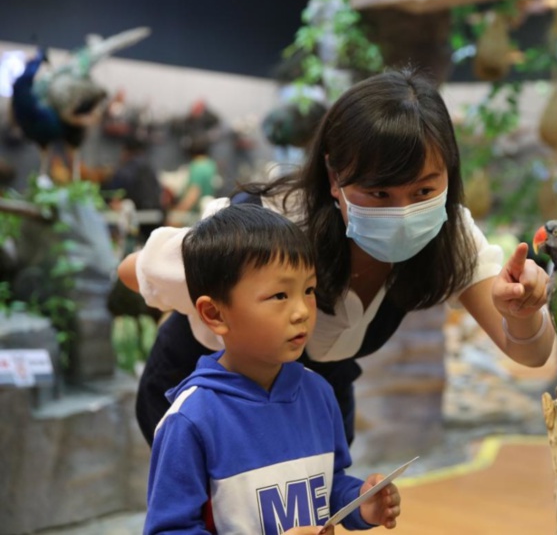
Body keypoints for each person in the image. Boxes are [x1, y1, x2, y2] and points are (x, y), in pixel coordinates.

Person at [119, 67, 556, 447]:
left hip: (312, 400)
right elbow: (132, 271)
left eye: (423, 190)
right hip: (206, 396)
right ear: (334, 178)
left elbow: (532, 355)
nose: (403, 213)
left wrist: (521, 311)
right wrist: (223, 291)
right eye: (379, 192)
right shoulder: (271, 227)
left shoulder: (449, 233)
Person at [144, 204, 400, 534]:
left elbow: (329, 486)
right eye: (280, 295)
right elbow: (169, 529)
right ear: (215, 314)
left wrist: (360, 503)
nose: (301, 312)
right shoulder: (191, 419)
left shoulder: (318, 393)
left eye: (308, 290)